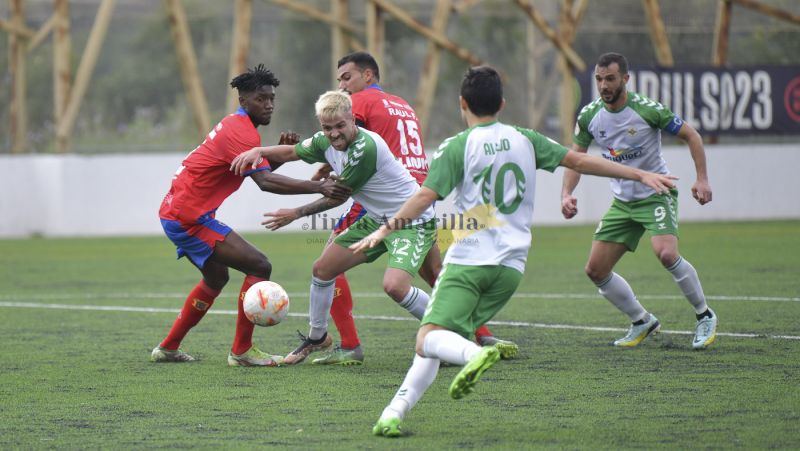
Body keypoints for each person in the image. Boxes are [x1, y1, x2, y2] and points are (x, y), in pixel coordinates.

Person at [353, 66, 678, 437]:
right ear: (502, 103)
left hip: (469, 262)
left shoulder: (457, 146)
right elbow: (579, 160)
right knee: (434, 338)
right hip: (511, 269)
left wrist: (384, 228)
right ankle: (393, 414)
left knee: (427, 337)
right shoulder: (525, 138)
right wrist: (638, 174)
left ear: (462, 103)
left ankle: (476, 354)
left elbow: (425, 196)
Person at [309, 51, 514, 366]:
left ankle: (349, 345)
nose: (342, 85)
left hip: (387, 195)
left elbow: (345, 138)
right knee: (434, 272)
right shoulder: (401, 103)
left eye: (347, 77)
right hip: (420, 189)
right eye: (339, 80)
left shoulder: (358, 103)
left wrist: (325, 165)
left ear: (368, 76)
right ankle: (479, 334)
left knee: (328, 264)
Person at [151, 65, 351, 366]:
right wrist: (319, 186)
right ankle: (242, 351)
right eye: (261, 99)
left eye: (271, 98)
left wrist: (280, 156)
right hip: (188, 218)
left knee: (216, 278)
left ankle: (167, 348)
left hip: (180, 213)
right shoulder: (241, 132)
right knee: (259, 265)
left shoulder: (238, 127)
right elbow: (265, 183)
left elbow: (261, 174)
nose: (269, 104)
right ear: (243, 101)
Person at [230, 90, 447, 366]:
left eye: (340, 126)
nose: (333, 134)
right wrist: (260, 150)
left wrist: (294, 214)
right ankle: (317, 337)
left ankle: (447, 332)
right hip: (376, 218)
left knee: (395, 286)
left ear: (352, 119)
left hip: (410, 220)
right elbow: (292, 152)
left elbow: (338, 196)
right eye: (327, 128)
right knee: (323, 269)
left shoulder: (365, 148)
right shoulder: (324, 141)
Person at [561, 52, 717, 350]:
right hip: (622, 202)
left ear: (625, 79)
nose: (604, 85)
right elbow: (576, 158)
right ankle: (641, 320)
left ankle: (705, 315)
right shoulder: (589, 116)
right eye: (599, 79)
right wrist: (566, 194)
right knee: (595, 270)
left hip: (656, 193)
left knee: (666, 253)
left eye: (610, 79)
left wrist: (702, 179)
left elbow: (692, 136)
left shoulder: (647, 110)